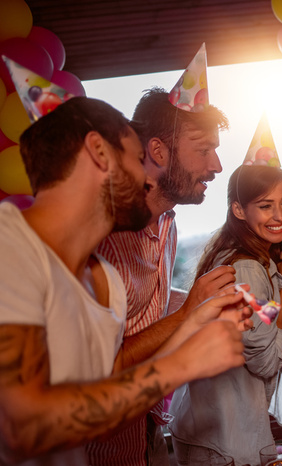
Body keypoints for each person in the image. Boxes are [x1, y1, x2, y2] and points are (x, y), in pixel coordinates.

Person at [0, 97, 248, 466]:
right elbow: (20, 429)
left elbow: (108, 382)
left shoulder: (104, 282)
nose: (148, 178)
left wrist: (195, 322)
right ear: (99, 152)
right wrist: (180, 363)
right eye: (136, 159)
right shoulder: (10, 249)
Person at [87, 87, 237, 465]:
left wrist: (205, 302)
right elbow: (102, 362)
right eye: (203, 150)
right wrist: (187, 313)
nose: (217, 165)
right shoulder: (103, 235)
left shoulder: (167, 222)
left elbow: (146, 299)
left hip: (149, 428)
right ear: (157, 151)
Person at [169, 164, 282, 465]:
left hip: (212, 432)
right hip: (223, 443)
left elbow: (262, 320)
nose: (280, 215)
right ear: (239, 210)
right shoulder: (246, 268)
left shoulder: (248, 259)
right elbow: (266, 361)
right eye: (265, 206)